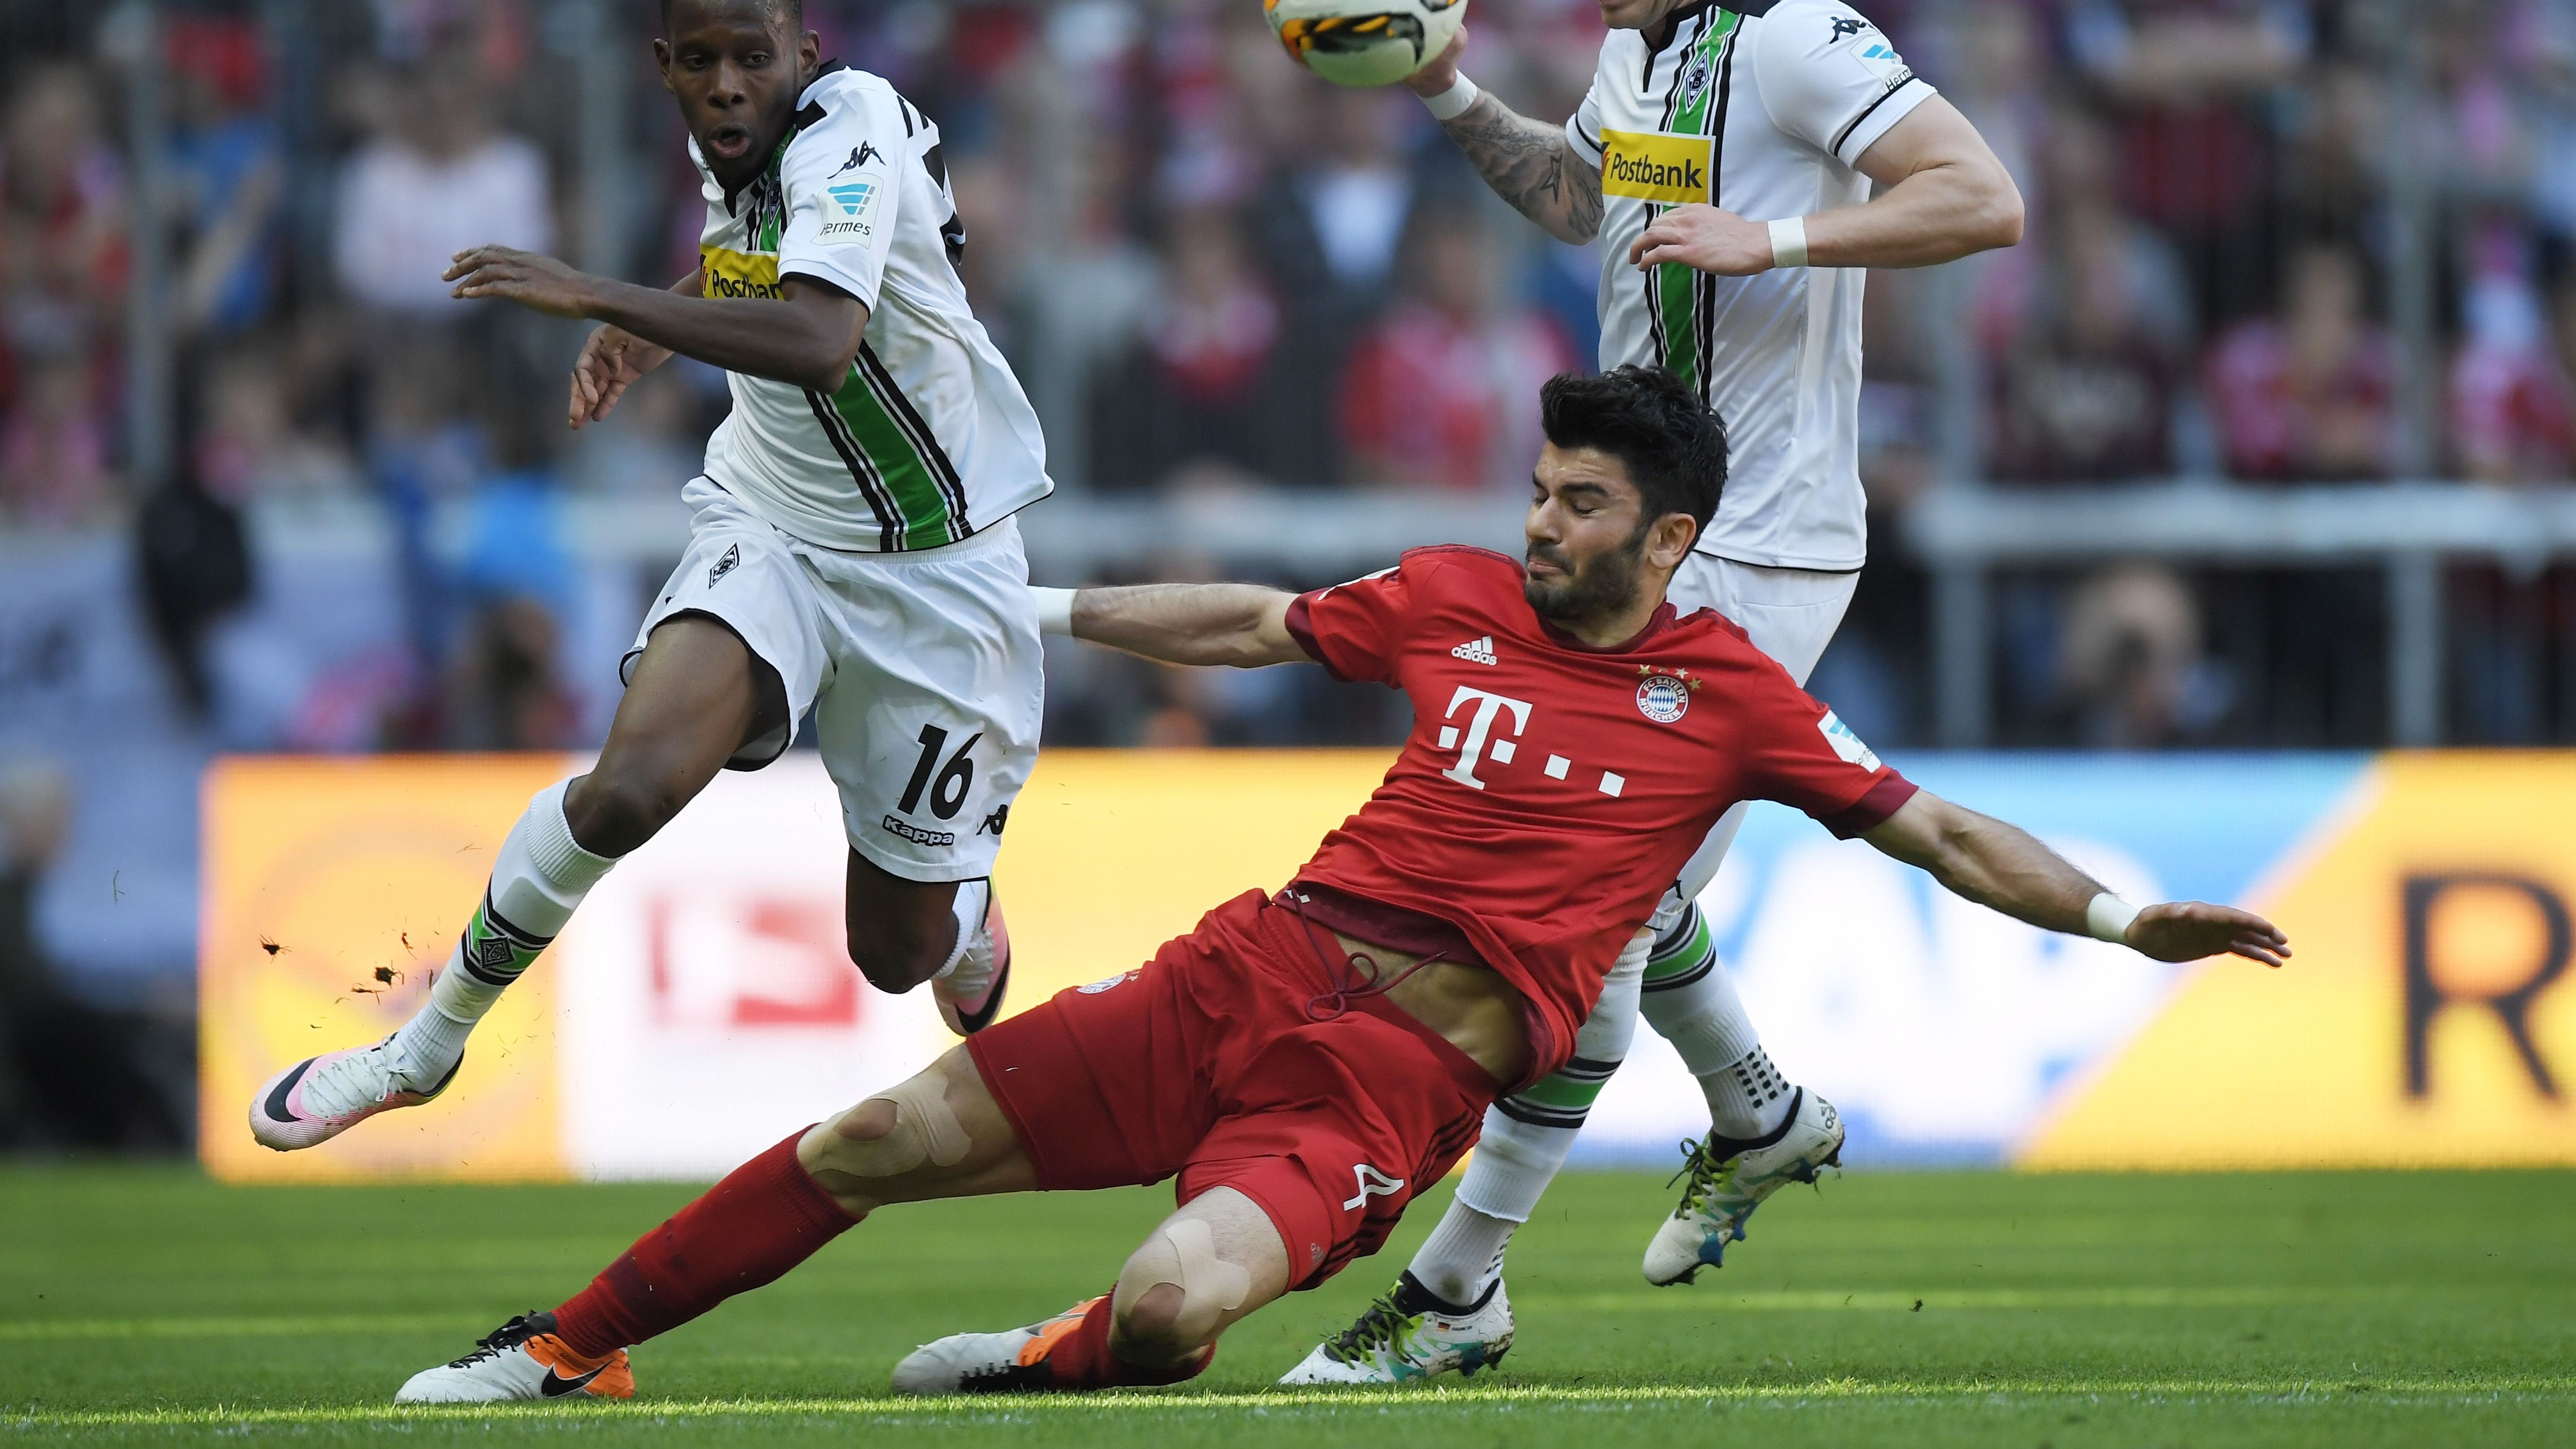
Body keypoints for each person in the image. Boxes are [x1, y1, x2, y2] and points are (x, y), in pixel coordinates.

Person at [387, 367, 2284, 1403]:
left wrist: (2127, 921)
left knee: (1158, 1310)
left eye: (1582, 505)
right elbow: (1248, 620)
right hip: (1245, 970)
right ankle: (564, 1346)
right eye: (1541, 490)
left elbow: (1942, 831)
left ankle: (1071, 1360)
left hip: (1382, 1093)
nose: (1541, 523)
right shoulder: (1455, 595)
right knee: (871, 1137)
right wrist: (1012, 612)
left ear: (1672, 536)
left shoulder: (1733, 703)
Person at [1292, 0, 2026, 1380]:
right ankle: (1760, 1114)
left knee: (1599, 907)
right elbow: (1582, 196)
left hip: (1761, 539)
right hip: (1653, 525)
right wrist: (1451, 91)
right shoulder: (1641, 53)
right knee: (1633, 889)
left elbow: (1983, 198)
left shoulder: (1801, 38)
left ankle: (1456, 1291)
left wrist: (1781, 238)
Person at [248, 0, 1050, 1150]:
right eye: (700, 63)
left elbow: (824, 337)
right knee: (625, 790)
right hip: (774, 520)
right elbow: (759, 246)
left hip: (941, 571)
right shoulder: (733, 141)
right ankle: (420, 1048)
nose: (725, 85)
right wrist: (667, 319)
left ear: (806, 58)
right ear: (663, 67)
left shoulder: (852, 121)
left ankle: (962, 914)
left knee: (894, 957)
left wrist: (606, 297)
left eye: (751, 59)